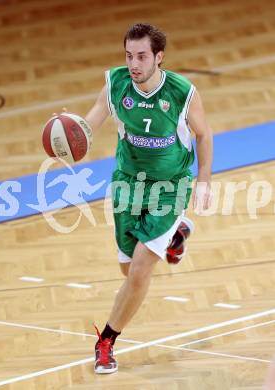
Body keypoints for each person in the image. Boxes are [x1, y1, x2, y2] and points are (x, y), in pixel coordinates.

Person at [68, 23, 212, 373]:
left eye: (142, 56)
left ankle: (105, 341)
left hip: (170, 186)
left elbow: (204, 134)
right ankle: (175, 239)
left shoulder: (182, 92)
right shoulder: (115, 84)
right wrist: (68, 133)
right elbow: (87, 130)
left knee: (140, 270)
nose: (134, 63)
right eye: (129, 55)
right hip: (128, 184)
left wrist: (204, 182)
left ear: (159, 57)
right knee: (127, 269)